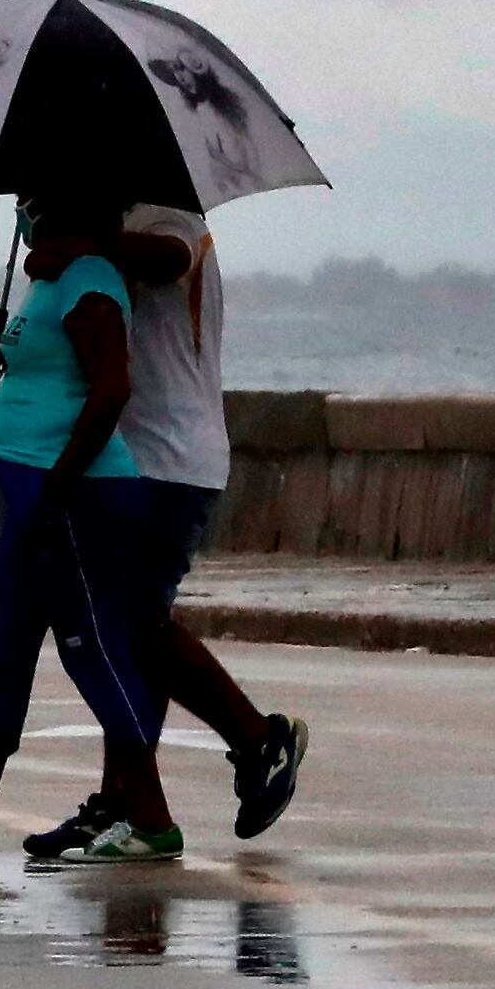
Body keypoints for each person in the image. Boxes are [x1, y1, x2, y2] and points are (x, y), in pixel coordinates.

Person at [0, 197, 186, 869]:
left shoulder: (90, 282)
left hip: (75, 495)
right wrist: (3, 356)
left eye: (31, 200)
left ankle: (153, 820)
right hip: (33, 493)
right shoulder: (48, 278)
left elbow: (111, 390)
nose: (23, 210)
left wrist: (60, 483)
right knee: (1, 647)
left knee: (95, 651)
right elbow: (48, 367)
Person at [101, 202, 309, 841]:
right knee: (130, 635)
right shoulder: (123, 224)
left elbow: (169, 259)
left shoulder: (172, 218)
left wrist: (87, 239)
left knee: (132, 628)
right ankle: (122, 801)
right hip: (131, 455)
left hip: (171, 459)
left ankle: (258, 739)